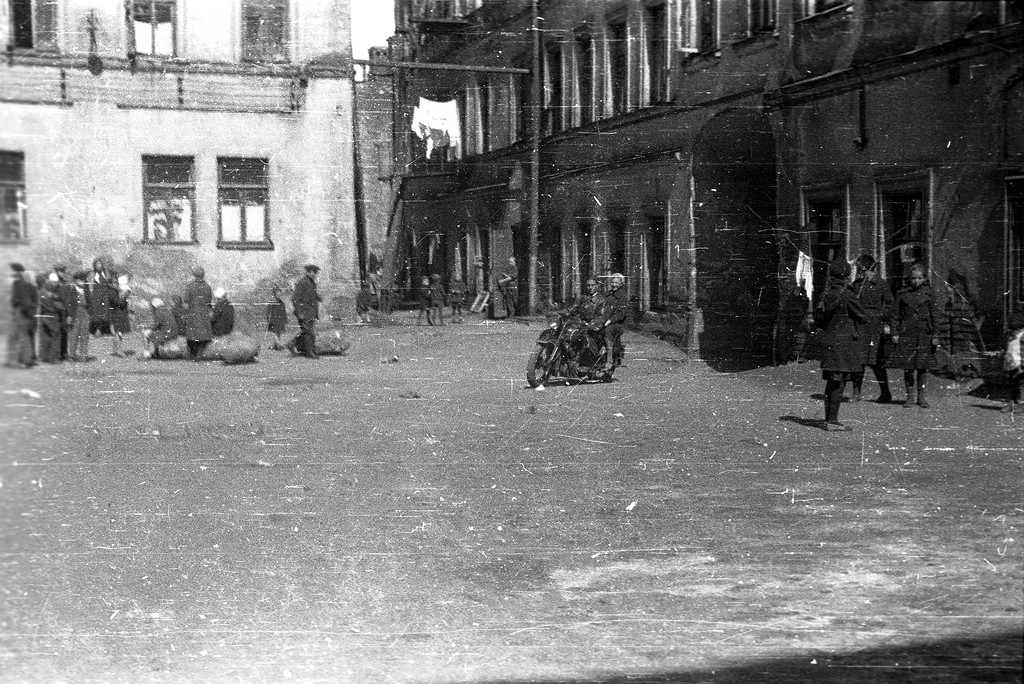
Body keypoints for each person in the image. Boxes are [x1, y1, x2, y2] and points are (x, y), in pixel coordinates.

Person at [817, 259, 868, 431]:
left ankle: (829, 419)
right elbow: (863, 316)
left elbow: (818, 319)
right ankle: (832, 421)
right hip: (844, 343)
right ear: (847, 276)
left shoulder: (825, 294)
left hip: (829, 341)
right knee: (839, 382)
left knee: (832, 381)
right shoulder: (847, 295)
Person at [889, 262, 942, 409]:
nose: (916, 281)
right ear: (909, 279)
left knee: (923, 367)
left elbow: (935, 316)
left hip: (924, 333)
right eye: (913, 278)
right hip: (907, 333)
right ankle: (910, 397)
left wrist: (936, 335)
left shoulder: (929, 294)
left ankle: (922, 397)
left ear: (924, 279)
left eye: (919, 278)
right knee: (908, 366)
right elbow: (894, 316)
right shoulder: (902, 294)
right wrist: (894, 333)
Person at [850, 255, 894, 402]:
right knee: (858, 360)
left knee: (877, 361)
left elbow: (890, 304)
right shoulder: (856, 285)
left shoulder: (882, 284)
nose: (861, 273)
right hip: (859, 325)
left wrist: (880, 315)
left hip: (875, 327)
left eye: (862, 270)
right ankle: (856, 392)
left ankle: (885, 393)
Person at [5, 263, 38, 369]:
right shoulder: (21, 284)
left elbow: (26, 302)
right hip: (22, 313)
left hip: (21, 313)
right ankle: (22, 360)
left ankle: (25, 360)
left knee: (20, 337)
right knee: (20, 336)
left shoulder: (20, 284)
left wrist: (22, 309)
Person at [288, 264, 322, 359]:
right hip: (304, 312)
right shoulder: (302, 283)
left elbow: (311, 295)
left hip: (311, 312)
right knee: (309, 333)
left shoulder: (312, 283)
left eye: (315, 272)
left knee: (306, 331)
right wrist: (299, 313)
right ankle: (310, 352)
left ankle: (291, 344)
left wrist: (318, 298)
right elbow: (295, 299)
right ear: (307, 272)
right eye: (312, 272)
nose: (314, 274)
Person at [599, 273, 629, 372]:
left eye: (616, 283)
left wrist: (610, 320)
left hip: (617, 324)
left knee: (607, 331)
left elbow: (621, 314)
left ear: (621, 284)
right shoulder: (607, 295)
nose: (614, 284)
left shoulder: (623, 296)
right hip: (606, 321)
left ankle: (609, 361)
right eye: (612, 282)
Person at [183, 265, 214, 360]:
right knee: (203, 334)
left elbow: (186, 299)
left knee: (193, 334)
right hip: (204, 312)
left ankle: (192, 354)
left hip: (193, 312)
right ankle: (199, 354)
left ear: (194, 275)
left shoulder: (190, 286)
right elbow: (209, 300)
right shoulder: (207, 287)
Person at [36, 273, 64, 364]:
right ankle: (53, 358)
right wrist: (60, 306)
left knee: (45, 336)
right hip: (52, 315)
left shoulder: (42, 290)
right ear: (51, 281)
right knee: (56, 336)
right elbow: (55, 304)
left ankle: (43, 357)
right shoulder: (49, 292)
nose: (56, 284)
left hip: (43, 316)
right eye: (55, 282)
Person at [1001, 309, 1024, 414]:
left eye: (1015, 328)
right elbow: (1007, 348)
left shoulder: (1022, 336)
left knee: (1021, 385)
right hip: (1010, 364)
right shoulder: (1010, 335)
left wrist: (1022, 366)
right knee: (1011, 385)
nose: (1013, 331)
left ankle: (1021, 404)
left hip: (1021, 365)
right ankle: (1011, 404)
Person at [68, 270, 93, 362]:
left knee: (84, 334)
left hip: (85, 313)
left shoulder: (86, 290)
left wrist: (89, 314)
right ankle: (71, 355)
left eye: (83, 279)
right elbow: (68, 304)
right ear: (76, 280)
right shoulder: (72, 289)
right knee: (74, 334)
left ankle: (83, 355)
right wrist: (69, 315)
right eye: (80, 280)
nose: (82, 281)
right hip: (75, 313)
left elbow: (90, 303)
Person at [54, 264, 76, 361]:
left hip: (64, 312)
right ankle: (56, 354)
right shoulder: (53, 283)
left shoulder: (66, 284)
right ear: (56, 272)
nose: (62, 273)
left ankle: (64, 353)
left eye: (63, 271)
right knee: (56, 333)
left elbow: (69, 299)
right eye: (60, 271)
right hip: (55, 313)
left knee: (65, 333)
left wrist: (69, 314)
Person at [109, 273, 133, 357]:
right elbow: (118, 303)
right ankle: (118, 350)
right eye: (114, 283)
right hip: (117, 314)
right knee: (118, 333)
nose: (116, 284)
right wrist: (125, 300)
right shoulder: (112, 292)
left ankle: (116, 350)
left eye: (117, 283)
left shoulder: (114, 291)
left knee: (118, 333)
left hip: (118, 313)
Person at [265, 285, 288, 349]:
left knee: (279, 333)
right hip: (274, 320)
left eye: (279, 293)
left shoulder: (281, 302)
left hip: (280, 320)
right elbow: (269, 312)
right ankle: (278, 344)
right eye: (277, 293)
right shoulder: (271, 302)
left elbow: (283, 311)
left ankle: (277, 344)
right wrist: (269, 320)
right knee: (275, 332)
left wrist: (285, 319)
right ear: (274, 294)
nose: (279, 295)